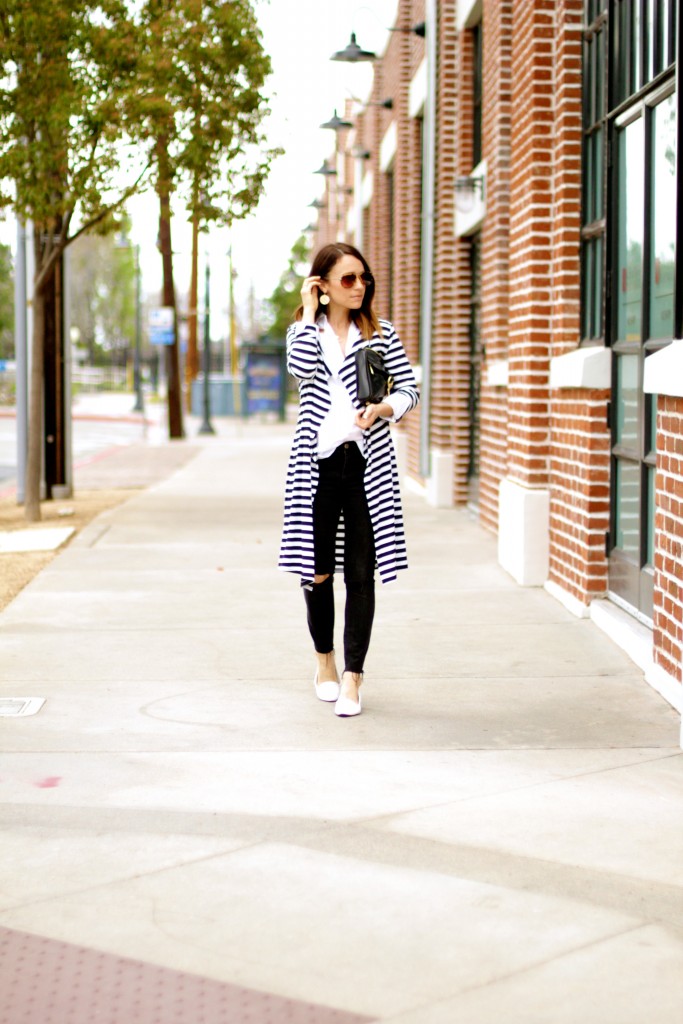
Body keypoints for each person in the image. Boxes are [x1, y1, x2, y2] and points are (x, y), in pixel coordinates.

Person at [278, 242, 419, 717]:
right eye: (347, 280)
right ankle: (325, 663)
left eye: (364, 279)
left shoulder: (381, 333)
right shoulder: (305, 334)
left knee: (361, 573)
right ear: (323, 285)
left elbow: (409, 390)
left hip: (366, 464)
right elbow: (298, 371)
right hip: (316, 467)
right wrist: (307, 314)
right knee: (316, 572)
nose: (359, 287)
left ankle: (354, 677)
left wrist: (383, 408)